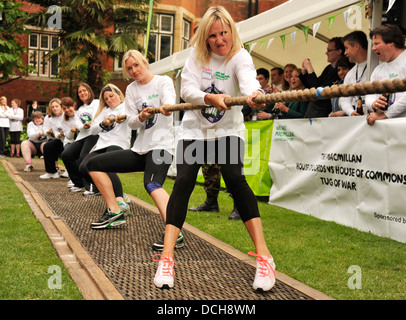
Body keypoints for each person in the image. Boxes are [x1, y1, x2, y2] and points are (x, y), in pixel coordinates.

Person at [153, 6, 275, 292]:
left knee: (234, 178)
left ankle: (265, 257)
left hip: (227, 130)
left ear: (232, 31)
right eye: (213, 36)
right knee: (182, 181)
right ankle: (167, 259)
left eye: (224, 33)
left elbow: (248, 82)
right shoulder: (196, 58)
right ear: (205, 39)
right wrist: (209, 97)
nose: (220, 40)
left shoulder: (240, 57)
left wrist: (254, 95)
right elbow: (187, 91)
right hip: (195, 131)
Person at [85, 49, 180, 253]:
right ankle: (115, 212)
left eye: (136, 65)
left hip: (161, 146)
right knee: (93, 164)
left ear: (145, 62)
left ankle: (175, 232)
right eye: (129, 68)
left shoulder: (163, 81)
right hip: (139, 150)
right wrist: (142, 117)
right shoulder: (131, 89)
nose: (134, 70)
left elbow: (170, 102)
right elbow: (131, 123)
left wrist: (166, 106)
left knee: (152, 183)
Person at [79, 83, 131, 200]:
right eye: (106, 99)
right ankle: (113, 193)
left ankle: (119, 199)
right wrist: (103, 123)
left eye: (111, 96)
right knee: (84, 167)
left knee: (107, 166)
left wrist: (123, 118)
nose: (109, 100)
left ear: (118, 94)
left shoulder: (126, 106)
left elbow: (133, 120)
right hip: (102, 145)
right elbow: (93, 130)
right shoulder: (104, 111)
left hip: (118, 143)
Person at [366, 24, 406, 126]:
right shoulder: (378, 70)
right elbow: (369, 95)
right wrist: (374, 104)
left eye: (377, 44)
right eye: (373, 44)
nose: (373, 48)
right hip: (385, 131)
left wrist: (387, 114)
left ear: (391, 43)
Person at [61, 83, 99, 193]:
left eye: (84, 90)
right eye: (80, 92)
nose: (82, 93)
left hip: (94, 134)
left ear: (89, 91)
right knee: (66, 155)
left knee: (83, 157)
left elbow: (99, 116)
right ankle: (79, 183)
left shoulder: (96, 103)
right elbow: (77, 124)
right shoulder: (79, 108)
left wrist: (92, 123)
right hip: (83, 135)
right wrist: (83, 126)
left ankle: (92, 187)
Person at [301, 37, 344, 118]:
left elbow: (318, 89)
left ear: (339, 51)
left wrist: (310, 69)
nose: (326, 53)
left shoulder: (340, 71)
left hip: (324, 112)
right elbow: (312, 88)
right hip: (314, 112)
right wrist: (305, 73)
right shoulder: (329, 68)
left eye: (329, 50)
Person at [338, 31, 368, 117]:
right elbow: (344, 99)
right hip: (357, 118)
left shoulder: (378, 65)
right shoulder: (350, 74)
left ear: (357, 47)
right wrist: (351, 112)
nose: (345, 53)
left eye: (347, 48)